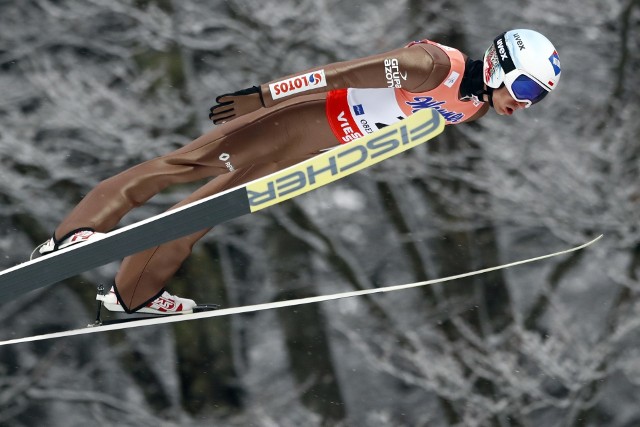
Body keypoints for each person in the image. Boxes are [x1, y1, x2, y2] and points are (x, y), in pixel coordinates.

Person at [36, 29, 562, 314]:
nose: (523, 104)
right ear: (498, 65)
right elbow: (344, 73)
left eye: (535, 98)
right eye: (524, 89)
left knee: (198, 215)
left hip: (317, 148)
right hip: (296, 117)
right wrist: (265, 95)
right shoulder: (435, 66)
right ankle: (71, 236)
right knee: (184, 166)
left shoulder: (471, 106)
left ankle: (132, 294)